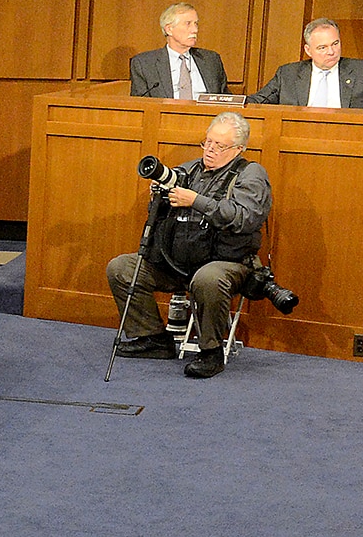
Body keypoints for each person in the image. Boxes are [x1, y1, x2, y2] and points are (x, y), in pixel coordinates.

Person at [107, 111, 270, 379]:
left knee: (208, 278)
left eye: (220, 146)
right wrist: (158, 195)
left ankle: (211, 352)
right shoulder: (191, 168)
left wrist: (195, 200)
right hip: (175, 262)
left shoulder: (251, 174)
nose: (210, 150)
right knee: (122, 268)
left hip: (226, 263)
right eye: (207, 142)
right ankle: (153, 339)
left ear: (239, 149)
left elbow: (244, 219)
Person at [250, 19, 363, 109]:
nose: (331, 52)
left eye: (335, 44)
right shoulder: (288, 74)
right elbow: (257, 102)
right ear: (308, 50)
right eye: (322, 48)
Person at [129, 3, 228, 99]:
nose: (195, 30)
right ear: (169, 29)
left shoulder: (211, 60)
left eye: (196, 24)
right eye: (188, 24)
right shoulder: (144, 64)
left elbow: (226, 99)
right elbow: (140, 106)